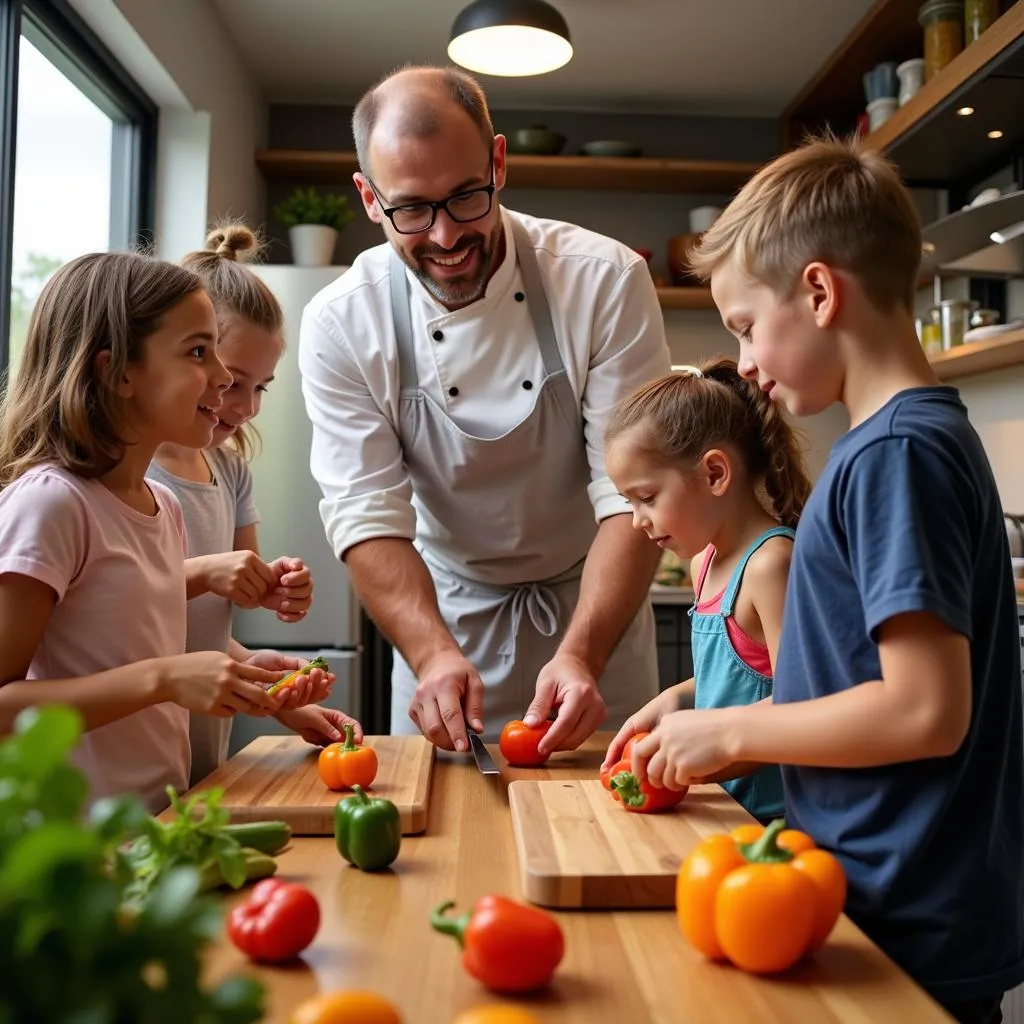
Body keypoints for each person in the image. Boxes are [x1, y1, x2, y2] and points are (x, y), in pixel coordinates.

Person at [631, 136, 1024, 1023]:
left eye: (742, 324)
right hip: (893, 897)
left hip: (908, 913)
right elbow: (851, 670)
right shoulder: (903, 443)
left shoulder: (894, 456)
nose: (745, 360)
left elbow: (926, 710)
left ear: (817, 292)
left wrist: (731, 735)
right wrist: (700, 699)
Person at [299, 65, 670, 754]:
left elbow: (632, 495)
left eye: (466, 197)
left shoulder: (603, 280)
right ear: (369, 199)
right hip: (443, 627)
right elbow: (366, 511)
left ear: (498, 163)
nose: (444, 237)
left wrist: (582, 653)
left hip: (597, 624)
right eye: (411, 209)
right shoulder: (342, 321)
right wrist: (431, 653)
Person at [0, 251, 303, 813]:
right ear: (117, 372)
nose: (220, 375)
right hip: (69, 848)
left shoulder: (163, 506)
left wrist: (242, 672)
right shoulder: (50, 503)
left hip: (157, 822)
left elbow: (136, 646)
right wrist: (163, 679)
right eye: (198, 352)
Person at [148, 224, 363, 786]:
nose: (244, 406)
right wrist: (209, 574)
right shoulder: (125, 476)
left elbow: (204, 630)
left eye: (260, 387)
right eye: (231, 379)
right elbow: (118, 618)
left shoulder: (229, 470)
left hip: (196, 757)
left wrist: (283, 697)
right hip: (129, 750)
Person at [600, 356, 810, 823]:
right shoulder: (705, 563)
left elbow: (803, 700)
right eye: (629, 502)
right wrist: (675, 699)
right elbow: (742, 680)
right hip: (723, 812)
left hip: (773, 824)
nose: (638, 521)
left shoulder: (771, 565)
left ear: (715, 473)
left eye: (648, 498)